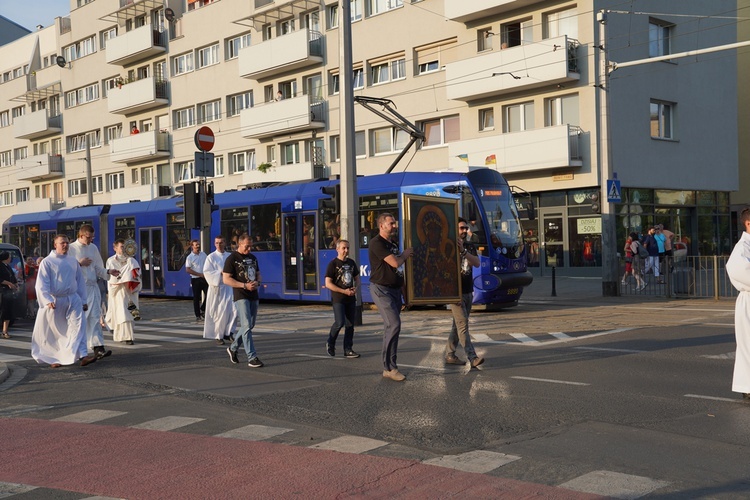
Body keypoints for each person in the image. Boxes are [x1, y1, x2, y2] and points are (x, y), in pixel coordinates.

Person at [31, 235, 97, 368]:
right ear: (55, 245)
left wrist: (83, 300)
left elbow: (80, 282)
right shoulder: (47, 262)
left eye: (67, 243)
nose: (65, 245)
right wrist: (47, 300)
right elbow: (41, 283)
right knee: (56, 330)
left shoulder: (73, 261)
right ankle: (54, 358)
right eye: (62, 243)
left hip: (73, 298)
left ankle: (83, 355)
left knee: (79, 325)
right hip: (56, 299)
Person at [369, 213, 413, 382]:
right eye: (391, 223)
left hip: (394, 290)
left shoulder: (392, 243)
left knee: (392, 328)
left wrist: (406, 295)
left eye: (394, 223)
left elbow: (399, 272)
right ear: (382, 225)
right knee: (394, 324)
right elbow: (395, 263)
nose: (394, 226)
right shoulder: (376, 243)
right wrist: (406, 254)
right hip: (381, 289)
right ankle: (389, 367)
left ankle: (389, 366)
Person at [68, 224, 119, 360]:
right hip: (79, 289)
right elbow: (65, 267)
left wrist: (108, 272)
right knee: (80, 320)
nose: (91, 240)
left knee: (96, 318)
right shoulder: (71, 248)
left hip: (92, 287)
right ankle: (77, 350)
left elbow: (98, 267)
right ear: (81, 235)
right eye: (88, 237)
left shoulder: (93, 248)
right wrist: (79, 263)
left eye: (92, 237)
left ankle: (98, 348)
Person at [445, 218, 484, 368]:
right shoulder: (448, 247)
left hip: (468, 291)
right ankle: (472, 357)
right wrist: (452, 293)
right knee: (463, 325)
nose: (464, 231)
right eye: (461, 228)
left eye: (465, 228)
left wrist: (464, 251)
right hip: (456, 293)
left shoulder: (469, 246)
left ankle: (450, 354)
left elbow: (476, 262)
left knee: (457, 325)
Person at [223, 233, 264, 368]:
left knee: (249, 325)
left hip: (254, 294)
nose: (249, 249)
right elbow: (226, 279)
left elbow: (258, 274)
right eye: (247, 247)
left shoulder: (253, 257)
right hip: (241, 294)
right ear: (239, 244)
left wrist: (258, 282)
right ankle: (252, 357)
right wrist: (244, 285)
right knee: (246, 325)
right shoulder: (232, 259)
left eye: (251, 246)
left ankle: (233, 348)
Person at [725, 208, 750, 401]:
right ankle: (747, 387)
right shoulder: (742, 248)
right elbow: (740, 271)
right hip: (748, 300)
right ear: (748, 224)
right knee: (748, 345)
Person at [324, 239, 360, 359]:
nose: (346, 250)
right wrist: (343, 291)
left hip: (350, 298)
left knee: (350, 325)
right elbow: (328, 283)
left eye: (348, 248)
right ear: (337, 249)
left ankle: (348, 349)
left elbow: (357, 278)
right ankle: (331, 342)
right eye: (344, 248)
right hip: (338, 298)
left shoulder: (351, 263)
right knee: (340, 322)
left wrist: (355, 288)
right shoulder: (333, 264)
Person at [105, 239, 142, 345]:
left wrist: (132, 271)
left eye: (125, 247)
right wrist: (127, 273)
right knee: (122, 313)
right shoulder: (111, 260)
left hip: (130, 291)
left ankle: (126, 335)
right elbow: (114, 276)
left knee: (131, 313)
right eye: (121, 246)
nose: (124, 249)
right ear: (115, 248)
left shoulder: (132, 260)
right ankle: (127, 337)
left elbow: (137, 273)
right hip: (119, 291)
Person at [203, 236, 236, 345]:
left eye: (221, 242)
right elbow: (207, 272)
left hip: (230, 287)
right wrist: (220, 273)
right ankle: (218, 335)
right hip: (218, 288)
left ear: (225, 243)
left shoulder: (230, 256)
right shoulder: (211, 257)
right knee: (220, 312)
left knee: (234, 310)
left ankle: (229, 332)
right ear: (214, 244)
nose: (219, 245)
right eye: (217, 243)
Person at [186, 239, 208, 321]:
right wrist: (199, 274)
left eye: (198, 245)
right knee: (196, 297)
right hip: (196, 279)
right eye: (196, 245)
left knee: (209, 294)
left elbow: (208, 263)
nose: (198, 246)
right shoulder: (189, 257)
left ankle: (203, 308)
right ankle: (197, 315)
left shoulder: (203, 254)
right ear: (192, 246)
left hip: (204, 278)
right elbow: (188, 269)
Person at [0, 251, 19, 339]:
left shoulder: (8, 266)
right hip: (2, 291)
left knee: (7, 311)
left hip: (8, 292)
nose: (10, 258)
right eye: (9, 257)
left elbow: (12, 277)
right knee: (3, 310)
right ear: (6, 257)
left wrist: (15, 284)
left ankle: (5, 331)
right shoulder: (0, 266)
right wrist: (9, 283)